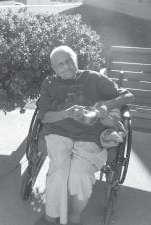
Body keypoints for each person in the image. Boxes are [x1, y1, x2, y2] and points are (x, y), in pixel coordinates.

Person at [35, 46, 134, 225]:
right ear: (53, 68)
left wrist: (108, 105)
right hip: (58, 132)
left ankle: (74, 216)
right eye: (60, 65)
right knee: (58, 173)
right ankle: (50, 217)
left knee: (79, 176)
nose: (66, 67)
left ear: (76, 60)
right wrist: (66, 113)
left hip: (89, 134)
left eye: (69, 61)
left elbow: (128, 96)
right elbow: (44, 116)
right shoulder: (49, 83)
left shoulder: (94, 78)